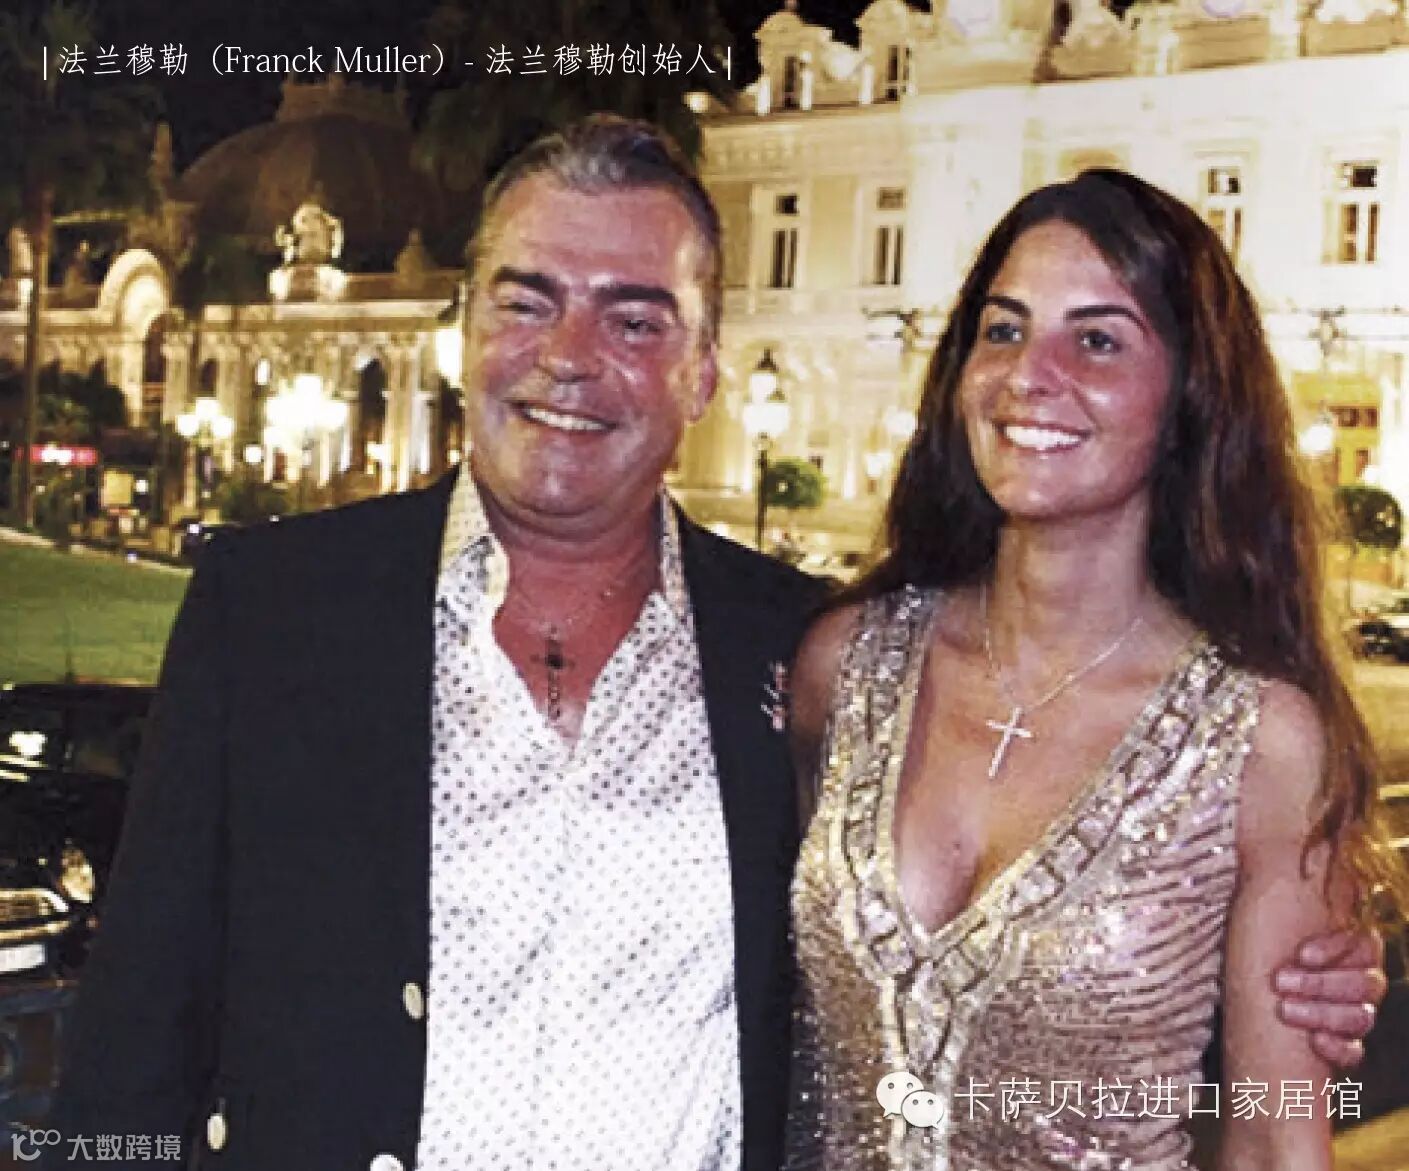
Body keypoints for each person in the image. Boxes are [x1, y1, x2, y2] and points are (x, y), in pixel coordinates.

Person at [48, 124, 1381, 1171]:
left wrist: (1279, 993)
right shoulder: (275, 610)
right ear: (462, 331)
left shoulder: (788, 646)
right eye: (527, 301)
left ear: (704, 369)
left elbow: (1236, 1085)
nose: (570, 359)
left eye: (635, 318)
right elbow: (132, 1028)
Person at [787, 169, 1406, 1170]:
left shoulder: (1257, 739)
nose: (1029, 374)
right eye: (1002, 328)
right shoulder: (842, 665)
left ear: (1188, 396)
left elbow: (1272, 1135)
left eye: (1098, 339)